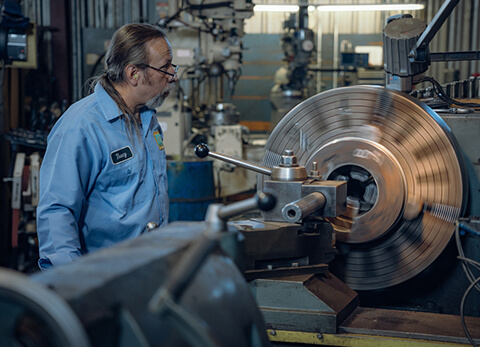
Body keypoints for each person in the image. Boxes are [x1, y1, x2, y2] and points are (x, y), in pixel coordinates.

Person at [36, 23, 177, 270]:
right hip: (104, 277)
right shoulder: (81, 126)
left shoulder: (148, 119)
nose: (172, 75)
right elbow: (57, 210)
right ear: (133, 74)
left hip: (150, 269)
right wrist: (73, 281)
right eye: (165, 66)